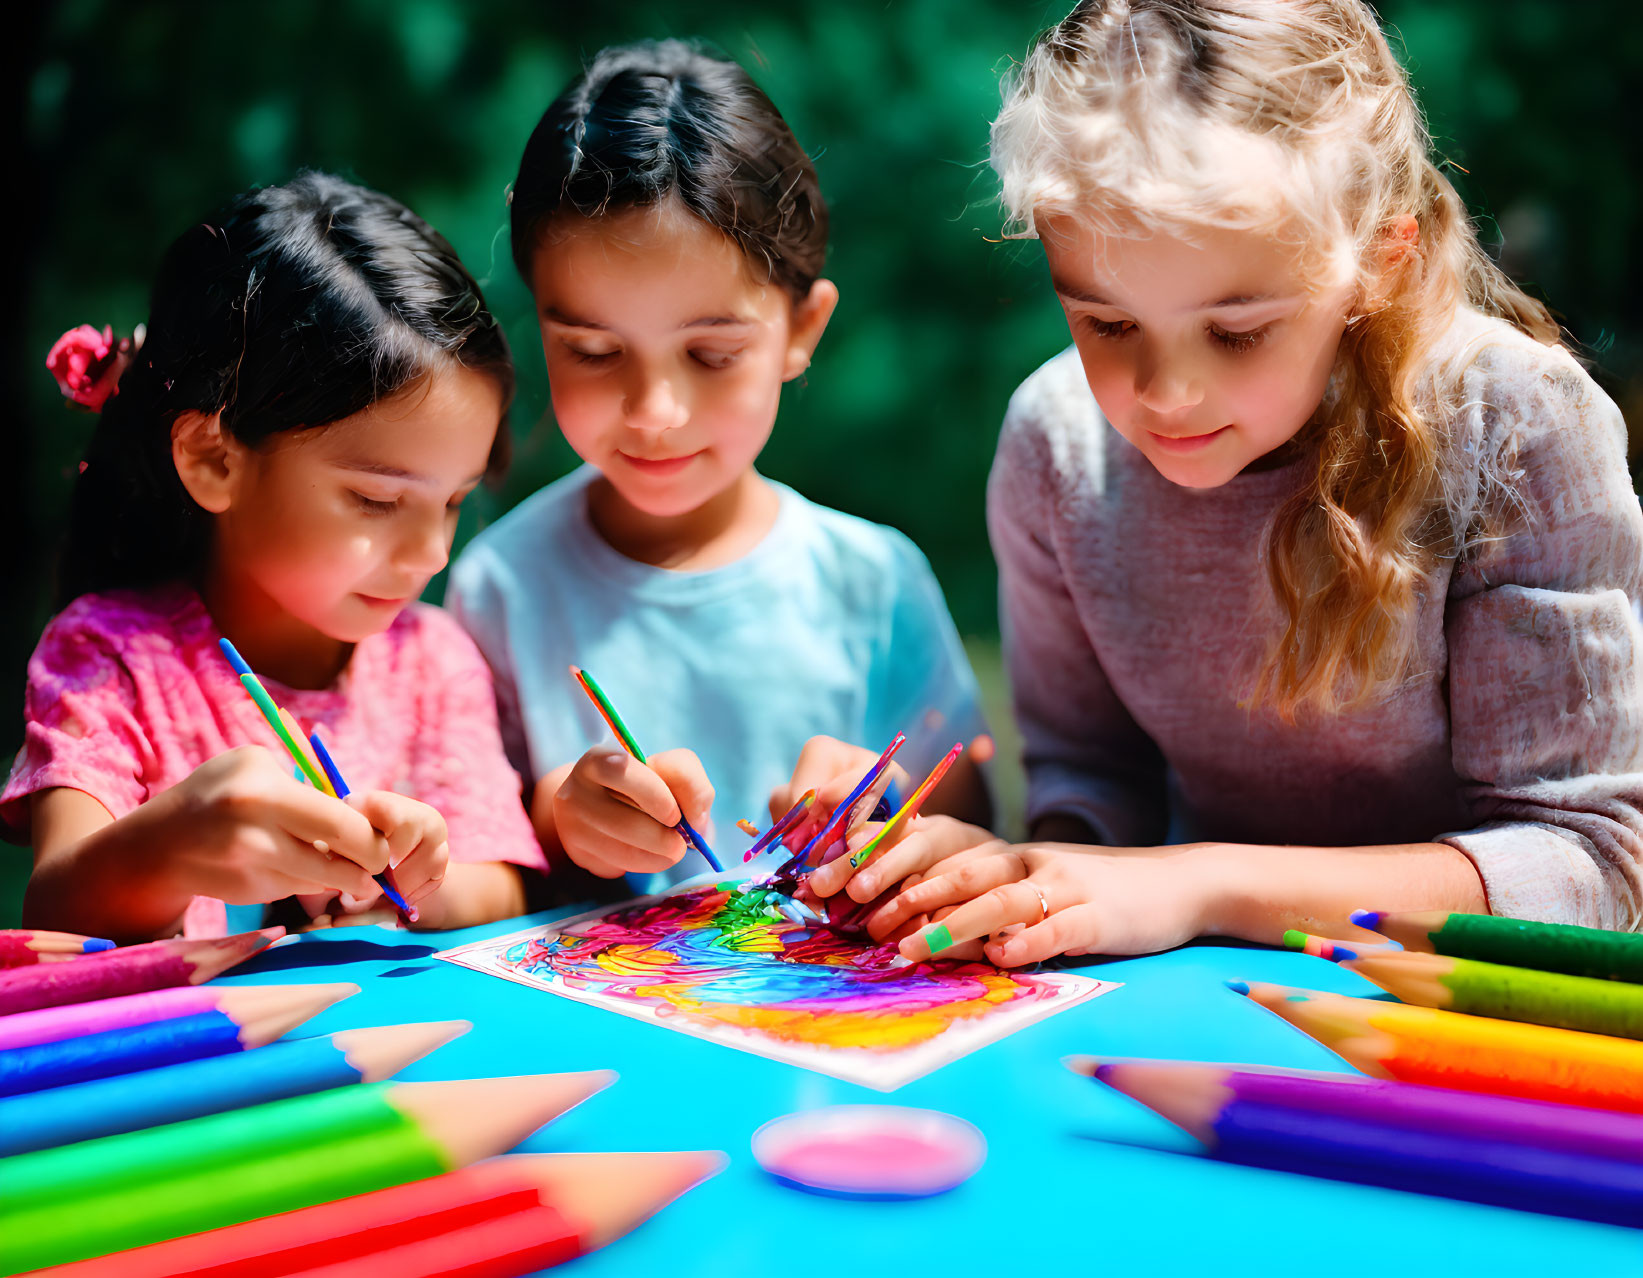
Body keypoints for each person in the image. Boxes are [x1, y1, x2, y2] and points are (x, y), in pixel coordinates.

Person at [810, 0, 1643, 966]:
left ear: (1380, 259)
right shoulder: (1058, 446)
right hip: (1190, 1013)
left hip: (1459, 1038)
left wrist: (1197, 881)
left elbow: (1588, 873)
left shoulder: (1515, 423)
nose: (1166, 394)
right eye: (1106, 325)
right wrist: (1025, 878)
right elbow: (1091, 791)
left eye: (1238, 330)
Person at [448, 41, 989, 897]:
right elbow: (478, 849)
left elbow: (976, 828)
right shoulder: (501, 589)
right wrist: (561, 818)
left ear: (802, 331)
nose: (654, 412)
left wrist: (883, 807)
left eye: (710, 353)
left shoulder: (874, 585)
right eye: (591, 351)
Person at [5, 173, 545, 941]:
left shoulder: (429, 662)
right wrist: (173, 845)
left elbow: (505, 889)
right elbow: (54, 916)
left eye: (452, 502)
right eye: (378, 501)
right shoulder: (111, 656)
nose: (430, 553)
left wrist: (423, 880)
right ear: (214, 459)